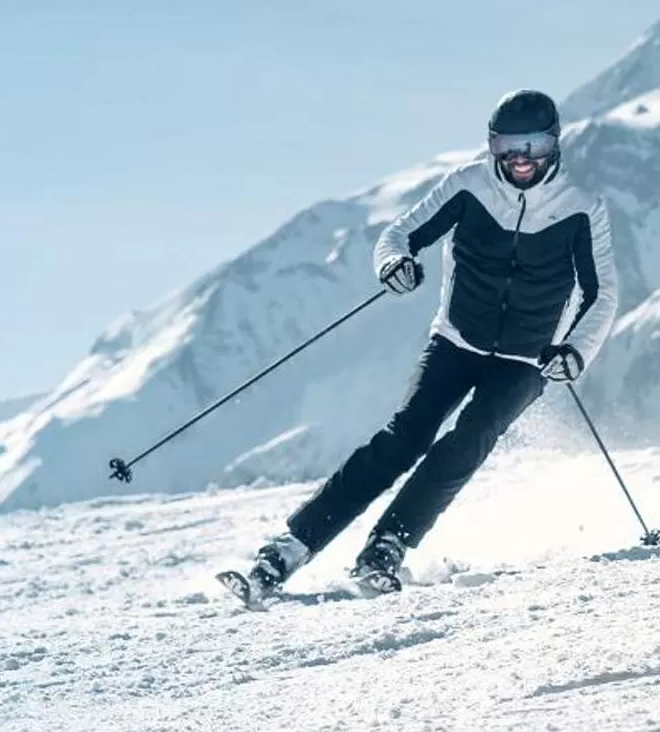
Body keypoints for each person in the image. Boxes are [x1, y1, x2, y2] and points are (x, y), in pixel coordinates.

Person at [237, 89, 619, 596]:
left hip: (527, 357)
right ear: (492, 145)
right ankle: (291, 547)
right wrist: (394, 264)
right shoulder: (468, 186)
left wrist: (574, 350)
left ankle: (387, 546)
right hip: (456, 340)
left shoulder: (581, 210)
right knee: (406, 437)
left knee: (471, 439)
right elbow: (398, 236)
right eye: (506, 146)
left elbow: (601, 292)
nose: (520, 158)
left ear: (555, 143)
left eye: (533, 145)